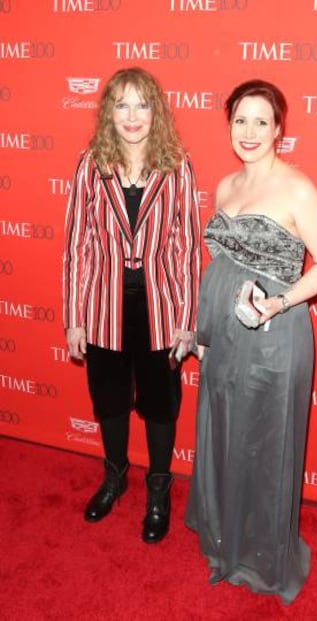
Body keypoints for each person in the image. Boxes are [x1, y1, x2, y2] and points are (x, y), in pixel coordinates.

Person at [185, 79, 317, 602]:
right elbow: (222, 265)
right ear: (228, 125)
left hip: (274, 332)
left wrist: (279, 302)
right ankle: (227, 534)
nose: (249, 132)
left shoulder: (297, 188)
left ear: (279, 129)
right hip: (224, 333)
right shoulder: (226, 187)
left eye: (261, 121)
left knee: (265, 439)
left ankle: (262, 555)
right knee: (227, 429)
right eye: (239, 121)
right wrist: (204, 332)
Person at [63, 67, 201, 543]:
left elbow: (186, 248)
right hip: (103, 306)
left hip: (160, 309)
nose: (132, 116)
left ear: (156, 111)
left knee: (161, 405)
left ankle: (158, 490)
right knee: (110, 399)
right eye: (121, 105)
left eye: (142, 104)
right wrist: (74, 317)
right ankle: (115, 477)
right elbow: (78, 244)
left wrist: (186, 321)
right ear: (108, 113)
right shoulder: (90, 163)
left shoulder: (177, 163)